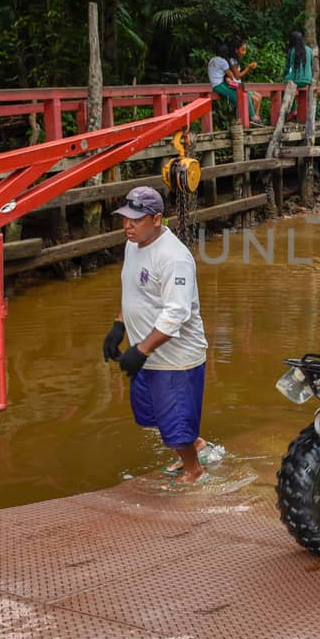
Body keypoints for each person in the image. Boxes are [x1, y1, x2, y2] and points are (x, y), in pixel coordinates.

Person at [102, 185, 211, 484]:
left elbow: (176, 313)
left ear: (157, 219)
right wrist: (118, 326)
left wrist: (142, 350)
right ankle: (195, 446)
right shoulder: (132, 244)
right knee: (152, 415)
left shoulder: (174, 257)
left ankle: (193, 470)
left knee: (174, 421)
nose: (128, 226)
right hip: (147, 352)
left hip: (175, 359)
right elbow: (133, 290)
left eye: (136, 220)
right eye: (125, 218)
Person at [206, 38, 260, 121]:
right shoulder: (223, 61)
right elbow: (232, 75)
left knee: (245, 95)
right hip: (220, 85)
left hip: (215, 85)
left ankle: (253, 117)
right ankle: (253, 117)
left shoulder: (212, 60)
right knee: (244, 96)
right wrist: (231, 79)